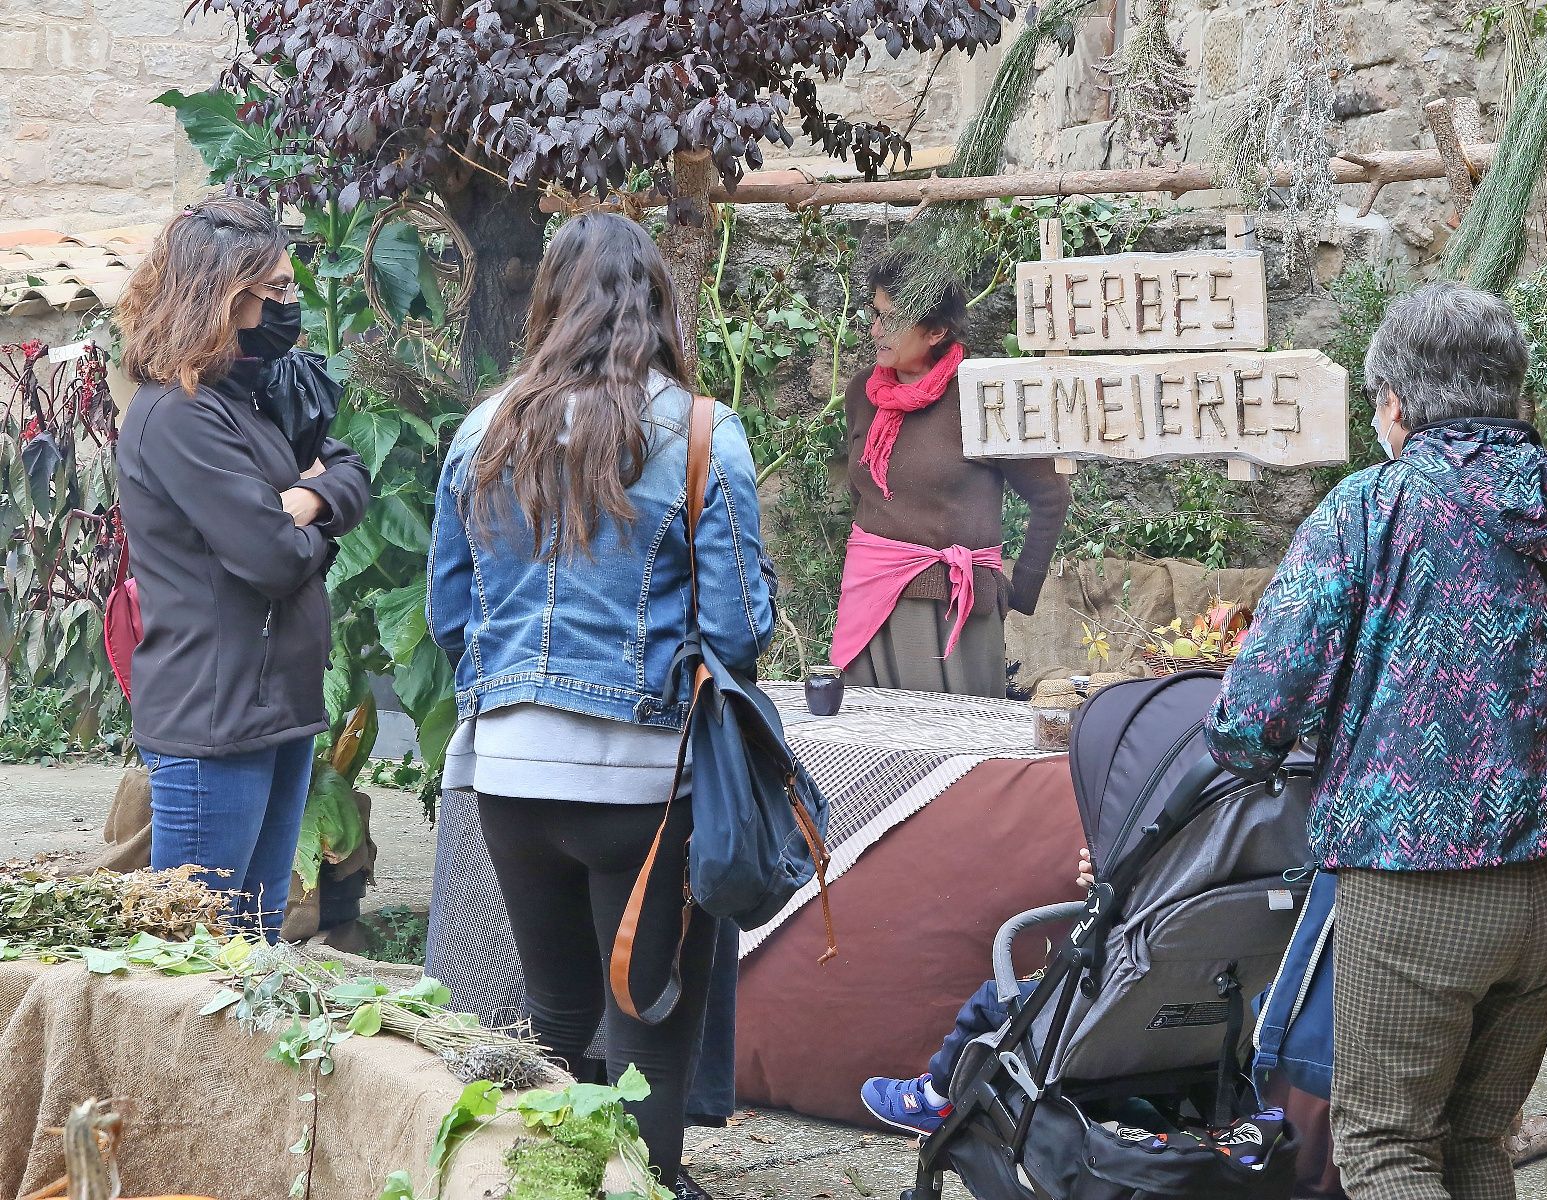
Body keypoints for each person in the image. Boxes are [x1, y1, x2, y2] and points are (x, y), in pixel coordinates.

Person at [1204, 282, 1547, 1200]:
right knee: (1476, 1145)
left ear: (1394, 403)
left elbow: (1255, 713)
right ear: (1509, 392)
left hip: (1420, 884)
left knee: (1389, 1150)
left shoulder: (1371, 507)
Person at [426, 212, 775, 1192]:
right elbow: (739, 630)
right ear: (657, 306)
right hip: (638, 786)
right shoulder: (701, 432)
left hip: (507, 780)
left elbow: (450, 613)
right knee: (648, 1022)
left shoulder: (480, 430)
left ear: (548, 307)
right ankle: (640, 1186)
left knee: (559, 1019)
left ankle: (550, 1181)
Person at [114, 198, 371, 943]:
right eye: (278, 292)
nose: (291, 307)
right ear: (224, 297)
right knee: (196, 962)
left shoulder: (253, 397)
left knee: (253, 951)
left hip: (277, 712)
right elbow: (271, 559)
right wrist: (306, 518)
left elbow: (348, 467)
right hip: (214, 722)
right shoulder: (180, 416)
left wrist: (298, 501)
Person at [831, 264, 1069, 697]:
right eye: (875, 314)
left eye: (893, 318)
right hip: (868, 609)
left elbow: (1050, 497)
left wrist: (1017, 591)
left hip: (950, 616)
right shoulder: (863, 392)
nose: (876, 330)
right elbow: (863, 490)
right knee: (873, 748)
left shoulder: (984, 395)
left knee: (959, 755)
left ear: (936, 331)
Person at [859, 848, 1091, 1134]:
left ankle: (934, 1099)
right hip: (1137, 1018)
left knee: (990, 999)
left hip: (1089, 1003)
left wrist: (1105, 895)